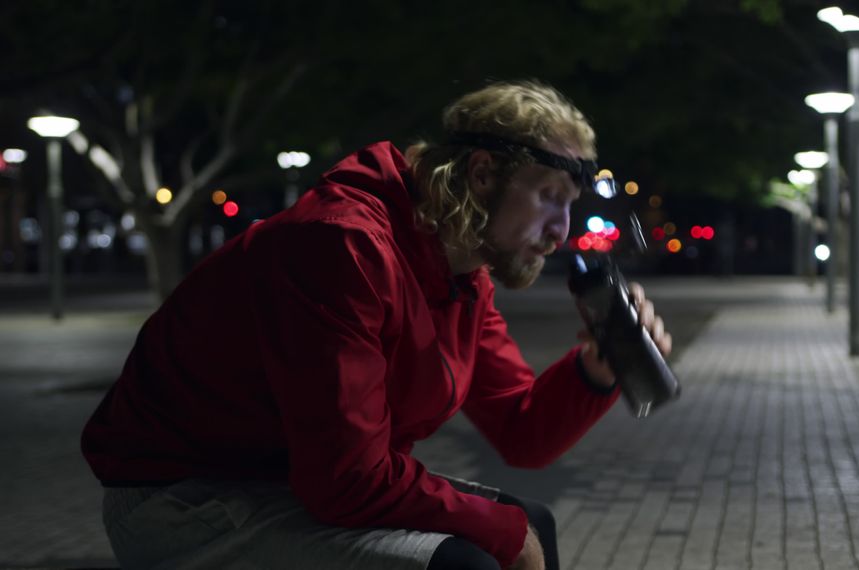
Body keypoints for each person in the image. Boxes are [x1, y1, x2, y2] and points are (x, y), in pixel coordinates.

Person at [82, 81, 672, 570]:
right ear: (484, 175)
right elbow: (345, 480)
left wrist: (594, 373)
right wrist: (502, 530)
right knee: (468, 560)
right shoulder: (341, 246)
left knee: (527, 523)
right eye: (548, 196)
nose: (560, 230)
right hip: (183, 497)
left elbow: (522, 433)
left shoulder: (461, 269)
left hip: (283, 478)